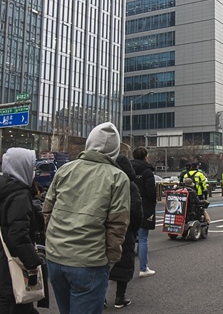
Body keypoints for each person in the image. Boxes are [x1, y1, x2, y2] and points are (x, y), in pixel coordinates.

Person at [42, 122, 130, 314]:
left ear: (89, 143)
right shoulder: (118, 177)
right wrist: (110, 260)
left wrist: (54, 240)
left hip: (56, 257)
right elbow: (118, 225)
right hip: (90, 261)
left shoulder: (66, 170)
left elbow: (47, 210)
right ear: (115, 149)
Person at [0, 148, 42, 314]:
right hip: (8, 262)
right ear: (22, 167)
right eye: (32, 166)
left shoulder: (0, 189)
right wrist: (34, 262)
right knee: (8, 303)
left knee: (1, 300)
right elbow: (18, 235)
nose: (34, 170)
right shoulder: (19, 195)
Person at [107, 155, 143, 309]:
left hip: (103, 228)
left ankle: (100, 297)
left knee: (102, 263)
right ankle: (119, 297)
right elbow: (136, 211)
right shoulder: (130, 185)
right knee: (124, 261)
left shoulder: (106, 180)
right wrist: (133, 230)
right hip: (125, 228)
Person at [131, 146, 157, 278]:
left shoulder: (126, 169)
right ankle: (143, 268)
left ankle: (120, 271)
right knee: (142, 238)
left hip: (127, 206)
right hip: (143, 207)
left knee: (125, 239)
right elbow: (151, 193)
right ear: (145, 156)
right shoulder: (147, 172)